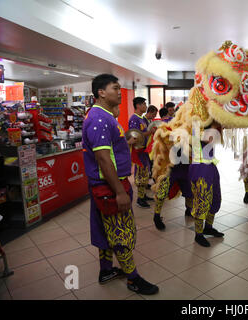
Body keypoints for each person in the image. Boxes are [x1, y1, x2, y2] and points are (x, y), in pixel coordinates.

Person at [82, 74, 159, 295]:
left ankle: (106, 270)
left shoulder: (105, 116)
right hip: (108, 187)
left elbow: (110, 150)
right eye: (115, 88)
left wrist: (126, 141)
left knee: (106, 230)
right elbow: (104, 159)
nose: (119, 92)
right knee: (121, 233)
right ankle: (133, 279)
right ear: (101, 92)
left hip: (105, 186)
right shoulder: (98, 119)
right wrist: (119, 191)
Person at [128, 97, 152, 208]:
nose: (145, 106)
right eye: (144, 104)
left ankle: (143, 195)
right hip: (139, 151)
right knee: (140, 175)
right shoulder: (134, 119)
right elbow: (135, 136)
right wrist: (149, 132)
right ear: (138, 105)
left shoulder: (141, 118)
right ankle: (139, 198)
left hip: (144, 151)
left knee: (145, 174)